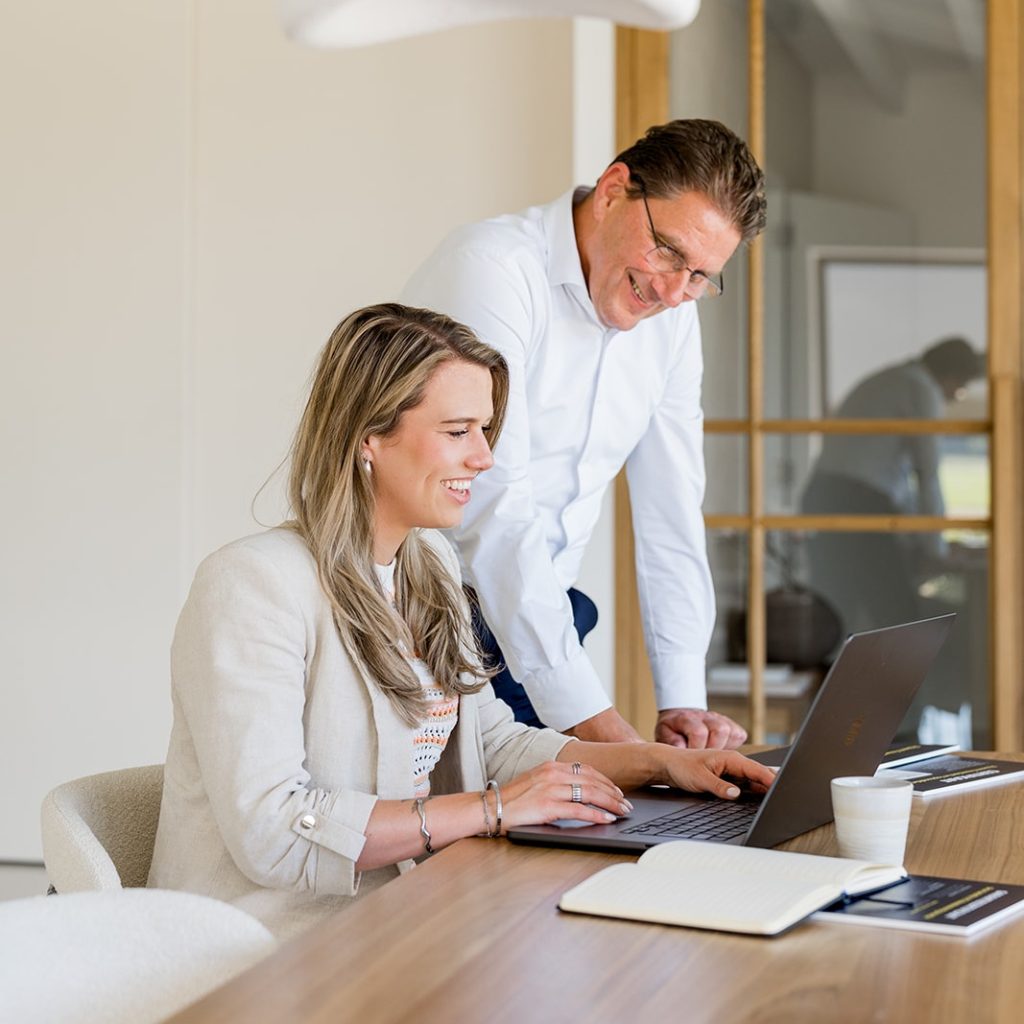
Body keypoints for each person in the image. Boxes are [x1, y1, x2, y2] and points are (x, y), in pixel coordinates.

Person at [147, 303, 775, 941]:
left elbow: (492, 744)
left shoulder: (432, 566)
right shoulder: (253, 584)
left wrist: (659, 763)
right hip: (271, 947)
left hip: (414, 915)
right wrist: (494, 810)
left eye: (485, 429)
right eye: (458, 431)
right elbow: (273, 833)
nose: (483, 458)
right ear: (368, 434)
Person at [402, 119, 767, 748]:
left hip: (543, 622)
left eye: (702, 276)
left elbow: (673, 508)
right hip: (421, 631)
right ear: (613, 189)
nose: (673, 291)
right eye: (669, 251)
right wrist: (601, 730)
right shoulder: (493, 270)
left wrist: (683, 700)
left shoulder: (674, 321)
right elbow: (494, 499)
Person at [800, 336, 983, 636]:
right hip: (856, 502)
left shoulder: (889, 380)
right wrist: (935, 548)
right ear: (951, 377)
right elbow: (927, 474)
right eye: (959, 389)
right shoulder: (921, 389)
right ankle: (900, 683)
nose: (953, 398)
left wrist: (926, 540)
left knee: (838, 607)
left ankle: (836, 680)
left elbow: (894, 477)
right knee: (897, 615)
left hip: (825, 495)